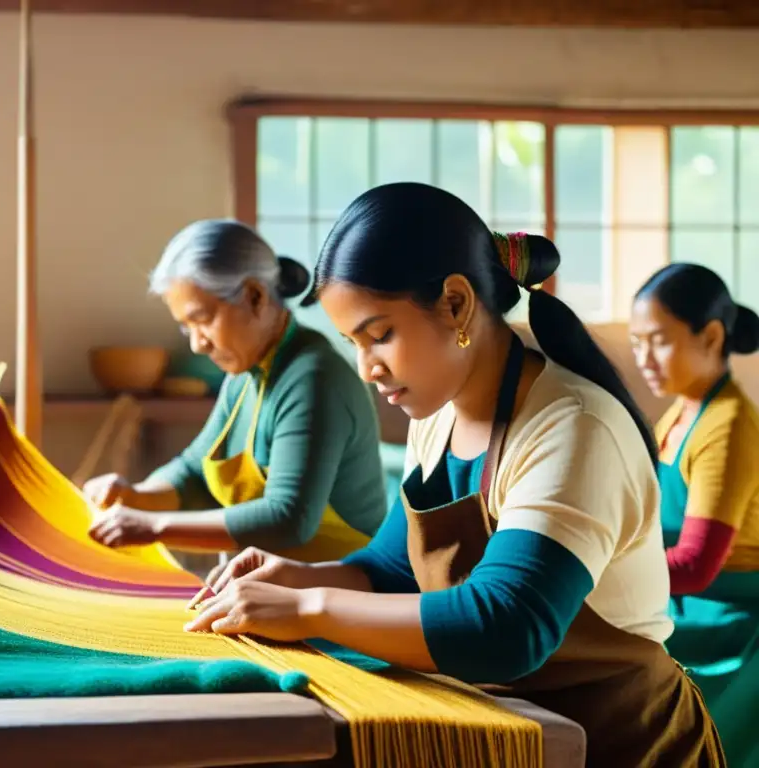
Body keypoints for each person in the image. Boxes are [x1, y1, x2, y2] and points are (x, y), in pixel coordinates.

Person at [184, 183, 725, 767]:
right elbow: (393, 570)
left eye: (380, 335)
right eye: (353, 344)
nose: (367, 369)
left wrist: (310, 609)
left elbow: (506, 627)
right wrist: (297, 576)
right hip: (509, 732)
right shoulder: (438, 414)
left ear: (456, 304)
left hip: (621, 744)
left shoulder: (574, 426)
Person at [84, 219, 386, 563]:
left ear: (254, 297)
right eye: (187, 328)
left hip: (343, 594)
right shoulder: (245, 375)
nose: (198, 344)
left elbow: (288, 519)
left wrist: (152, 525)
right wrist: (134, 495)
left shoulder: (314, 378)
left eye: (204, 320)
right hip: (277, 591)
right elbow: (193, 472)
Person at [630, 263, 759, 767]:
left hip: (728, 619)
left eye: (657, 341)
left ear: (709, 336)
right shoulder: (683, 411)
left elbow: (697, 564)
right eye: (637, 342)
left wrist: (601, 572)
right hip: (685, 598)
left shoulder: (727, 426)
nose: (643, 358)